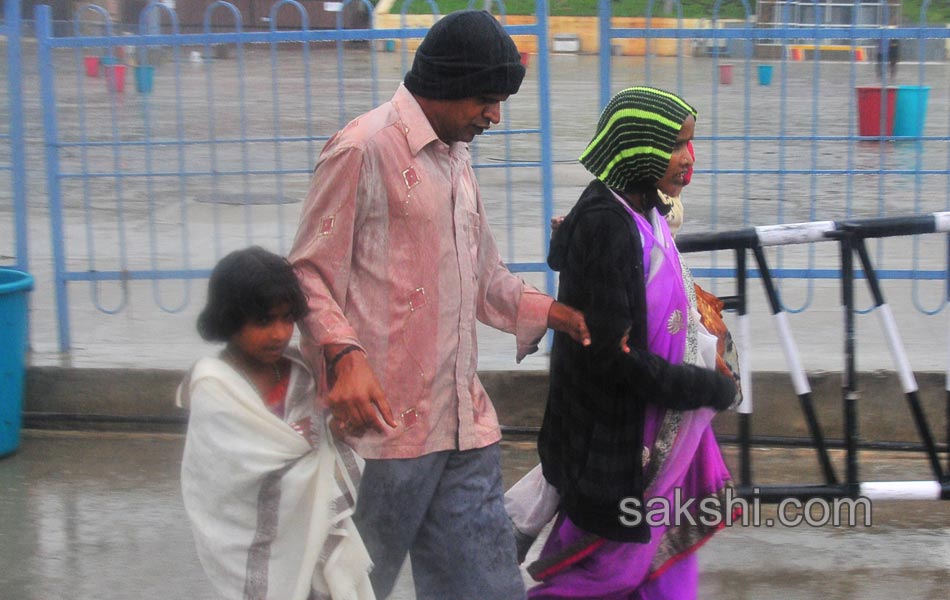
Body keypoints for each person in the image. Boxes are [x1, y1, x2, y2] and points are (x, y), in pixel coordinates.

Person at [288, 9, 590, 600]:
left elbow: (482, 278)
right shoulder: (361, 150)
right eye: (485, 99)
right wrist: (343, 354)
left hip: (462, 428)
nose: (494, 116)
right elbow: (306, 274)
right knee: (344, 588)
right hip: (379, 434)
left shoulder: (457, 159)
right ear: (446, 83)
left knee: (484, 588)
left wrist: (555, 313)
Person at [514, 87, 739, 599]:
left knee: (658, 569)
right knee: (602, 571)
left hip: (651, 429)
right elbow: (611, 360)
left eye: (690, 143)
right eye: (677, 145)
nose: (690, 158)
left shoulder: (644, 209)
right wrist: (702, 386)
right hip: (620, 442)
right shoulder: (609, 226)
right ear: (640, 149)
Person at [177, 246, 374, 600]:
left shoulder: (299, 371)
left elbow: (318, 447)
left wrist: (333, 433)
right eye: (264, 321)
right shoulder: (214, 384)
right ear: (230, 319)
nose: (279, 333)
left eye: (287, 319)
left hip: (311, 531)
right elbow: (229, 471)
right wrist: (306, 445)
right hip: (251, 535)